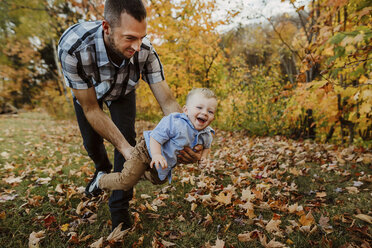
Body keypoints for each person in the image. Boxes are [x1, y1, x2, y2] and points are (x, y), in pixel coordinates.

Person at [57, 0, 202, 231]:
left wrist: (187, 139)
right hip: (89, 96)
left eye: (142, 37)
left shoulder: (146, 52)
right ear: (106, 27)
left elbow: (167, 101)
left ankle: (119, 210)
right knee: (92, 144)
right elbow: (92, 109)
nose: (137, 46)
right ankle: (101, 169)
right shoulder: (73, 47)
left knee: (126, 139)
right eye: (130, 38)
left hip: (123, 92)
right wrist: (126, 148)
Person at [87, 88, 217, 194]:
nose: (205, 113)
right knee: (126, 181)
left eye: (210, 111)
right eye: (199, 108)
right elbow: (155, 137)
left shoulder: (206, 133)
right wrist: (156, 155)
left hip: (163, 161)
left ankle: (138, 172)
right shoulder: (175, 122)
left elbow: (207, 146)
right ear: (186, 110)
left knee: (159, 180)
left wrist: (203, 158)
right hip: (147, 150)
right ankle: (100, 180)